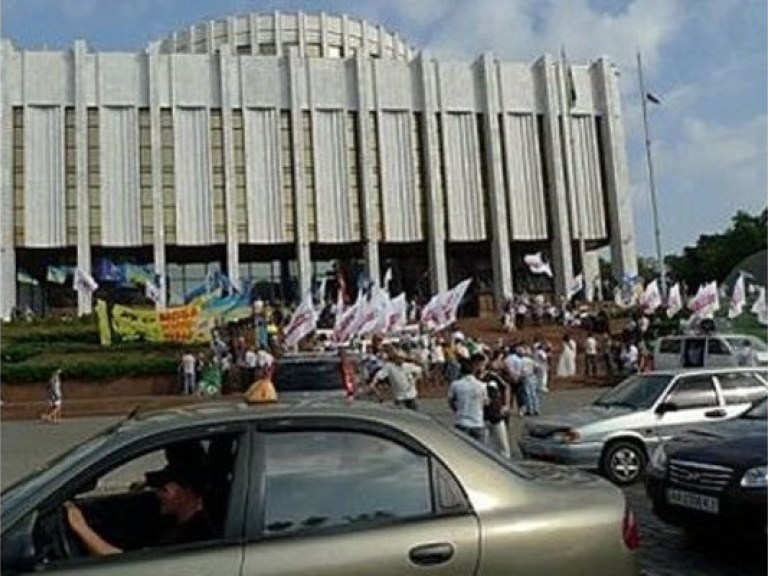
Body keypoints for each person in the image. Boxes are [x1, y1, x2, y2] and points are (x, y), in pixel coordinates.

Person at [65, 464, 215, 556]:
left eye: (163, 489)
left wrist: (81, 528)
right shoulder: (178, 523)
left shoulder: (191, 538)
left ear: (187, 491)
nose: (157, 494)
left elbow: (122, 566)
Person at [448, 353, 489, 441]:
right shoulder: (482, 385)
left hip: (461, 421)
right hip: (477, 421)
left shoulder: (455, 384)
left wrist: (458, 409)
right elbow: (486, 402)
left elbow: (451, 402)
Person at [482, 351, 511, 457]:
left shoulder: (492, 376)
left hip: (496, 415)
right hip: (482, 416)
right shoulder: (474, 378)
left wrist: (506, 405)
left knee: (503, 445)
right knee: (484, 446)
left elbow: (506, 387)